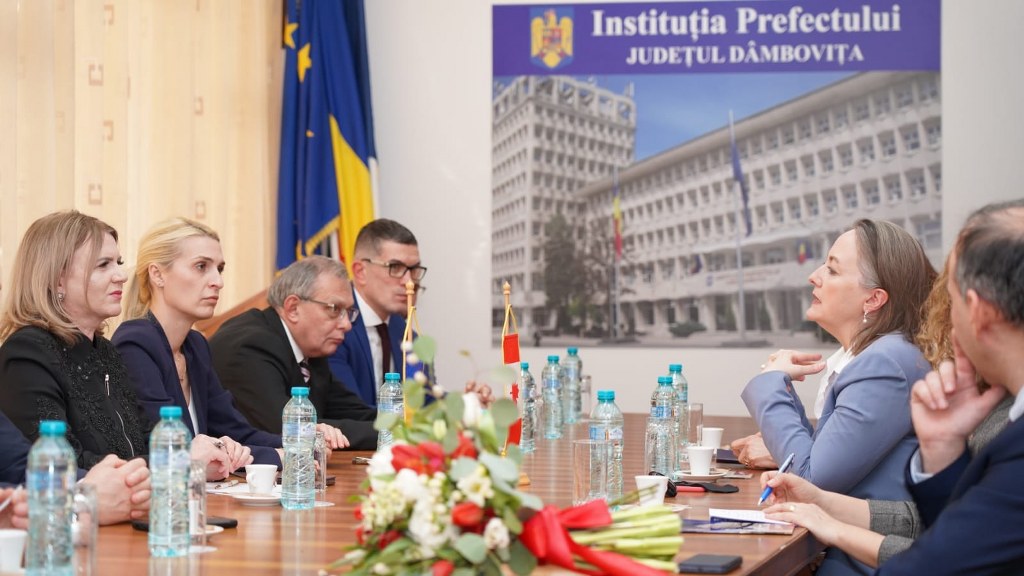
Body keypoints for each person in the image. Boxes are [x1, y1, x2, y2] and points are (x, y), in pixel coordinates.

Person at [756, 261, 1012, 568]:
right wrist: (820, 503)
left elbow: (950, 555)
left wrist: (836, 529)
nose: (940, 322)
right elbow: (941, 524)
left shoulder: (886, 359)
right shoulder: (998, 406)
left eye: (950, 303)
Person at [739, 219, 935, 576]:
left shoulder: (884, 363)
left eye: (831, 269)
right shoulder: (879, 354)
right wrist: (782, 388)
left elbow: (811, 479)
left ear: (873, 299)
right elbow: (821, 458)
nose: (814, 276)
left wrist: (771, 382)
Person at [0, 211, 233, 480]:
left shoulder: (106, 352)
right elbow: (63, 464)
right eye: (103, 265)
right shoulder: (27, 354)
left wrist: (205, 455)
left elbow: (147, 441)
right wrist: (181, 461)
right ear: (58, 280)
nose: (121, 275)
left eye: (118, 263)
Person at [112, 218, 295, 469]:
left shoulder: (196, 345)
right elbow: (176, 449)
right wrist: (277, 457)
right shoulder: (134, 343)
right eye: (201, 266)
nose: (217, 281)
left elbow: (235, 431)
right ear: (157, 274)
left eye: (219, 269)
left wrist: (300, 444)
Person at [210, 256, 376, 449]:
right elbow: (290, 430)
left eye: (348, 312)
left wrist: (402, 424)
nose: (347, 325)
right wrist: (394, 434)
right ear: (293, 308)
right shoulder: (250, 346)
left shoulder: (310, 350)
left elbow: (352, 411)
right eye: (334, 309)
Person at [327, 219, 426, 407]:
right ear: (360, 272)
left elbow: (423, 403)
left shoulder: (407, 334)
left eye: (413, 270)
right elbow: (348, 409)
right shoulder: (333, 327)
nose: (409, 282)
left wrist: (467, 402)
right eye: (395, 267)